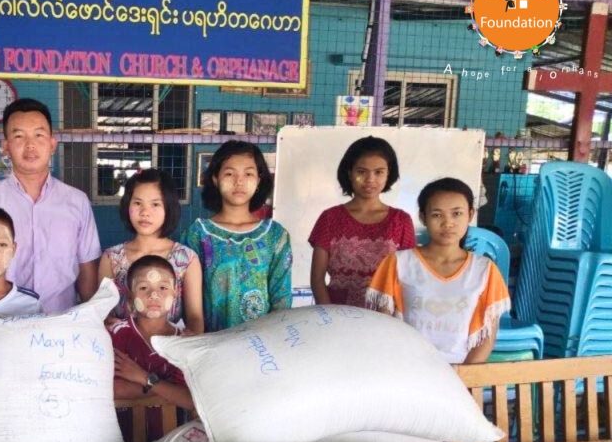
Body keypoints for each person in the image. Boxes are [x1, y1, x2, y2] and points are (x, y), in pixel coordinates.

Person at [0, 98, 101, 313]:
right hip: (1, 321)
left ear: (52, 144)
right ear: (5, 147)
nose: (30, 145)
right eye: (19, 136)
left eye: (39, 135)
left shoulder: (77, 202)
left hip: (60, 320)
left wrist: (92, 319)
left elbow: (87, 273)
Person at [366, 177, 510, 364]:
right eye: (437, 215)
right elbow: (383, 327)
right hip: (406, 366)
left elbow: (486, 337)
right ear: (423, 217)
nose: (448, 223)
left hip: (460, 370)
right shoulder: (398, 263)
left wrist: (463, 376)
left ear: (470, 215)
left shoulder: (485, 270)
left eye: (457, 213)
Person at [184, 140, 292, 331]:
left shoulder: (275, 236)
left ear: (259, 180)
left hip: (261, 343)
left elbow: (282, 301)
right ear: (215, 179)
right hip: (211, 342)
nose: (239, 181)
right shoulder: (198, 234)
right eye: (229, 173)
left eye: (248, 174)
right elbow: (188, 300)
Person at [309, 136, 415, 307]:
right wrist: (329, 316)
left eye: (378, 172)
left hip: (384, 315)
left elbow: (408, 278)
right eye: (361, 171)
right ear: (349, 173)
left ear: (388, 174)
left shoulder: (401, 221)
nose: (370, 179)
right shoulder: (330, 218)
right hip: (337, 313)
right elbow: (317, 279)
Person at [99, 169, 203, 333]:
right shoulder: (111, 258)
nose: (145, 212)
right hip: (122, 347)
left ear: (168, 208)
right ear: (127, 205)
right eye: (137, 203)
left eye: (155, 204)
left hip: (172, 348)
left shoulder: (187, 259)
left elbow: (195, 319)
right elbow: (104, 316)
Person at [110, 256, 194, 412]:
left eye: (163, 288)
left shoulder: (184, 342)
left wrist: (142, 377)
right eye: (143, 288)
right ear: (130, 295)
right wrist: (168, 388)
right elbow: (114, 389)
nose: (154, 295)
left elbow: (189, 400)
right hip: (124, 426)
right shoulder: (117, 334)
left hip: (174, 427)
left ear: (176, 293)